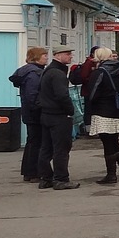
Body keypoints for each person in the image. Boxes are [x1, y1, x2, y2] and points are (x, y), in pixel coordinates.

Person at [82, 47, 119, 184]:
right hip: (117, 110)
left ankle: (111, 175)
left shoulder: (99, 72)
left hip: (102, 111)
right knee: (114, 141)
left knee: (107, 143)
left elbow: (92, 94)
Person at [37, 46, 79, 189]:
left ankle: (46, 178)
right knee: (61, 148)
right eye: (68, 54)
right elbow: (62, 95)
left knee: (46, 148)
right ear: (58, 55)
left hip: (46, 114)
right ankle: (61, 179)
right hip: (58, 116)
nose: (70, 57)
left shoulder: (47, 71)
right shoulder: (57, 74)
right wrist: (70, 110)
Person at [9, 46, 47, 182]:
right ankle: (34, 172)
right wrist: (40, 108)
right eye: (44, 55)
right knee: (37, 142)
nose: (46, 57)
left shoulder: (25, 72)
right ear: (36, 57)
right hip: (34, 113)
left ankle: (29, 171)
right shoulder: (34, 74)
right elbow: (32, 95)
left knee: (32, 141)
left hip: (28, 112)